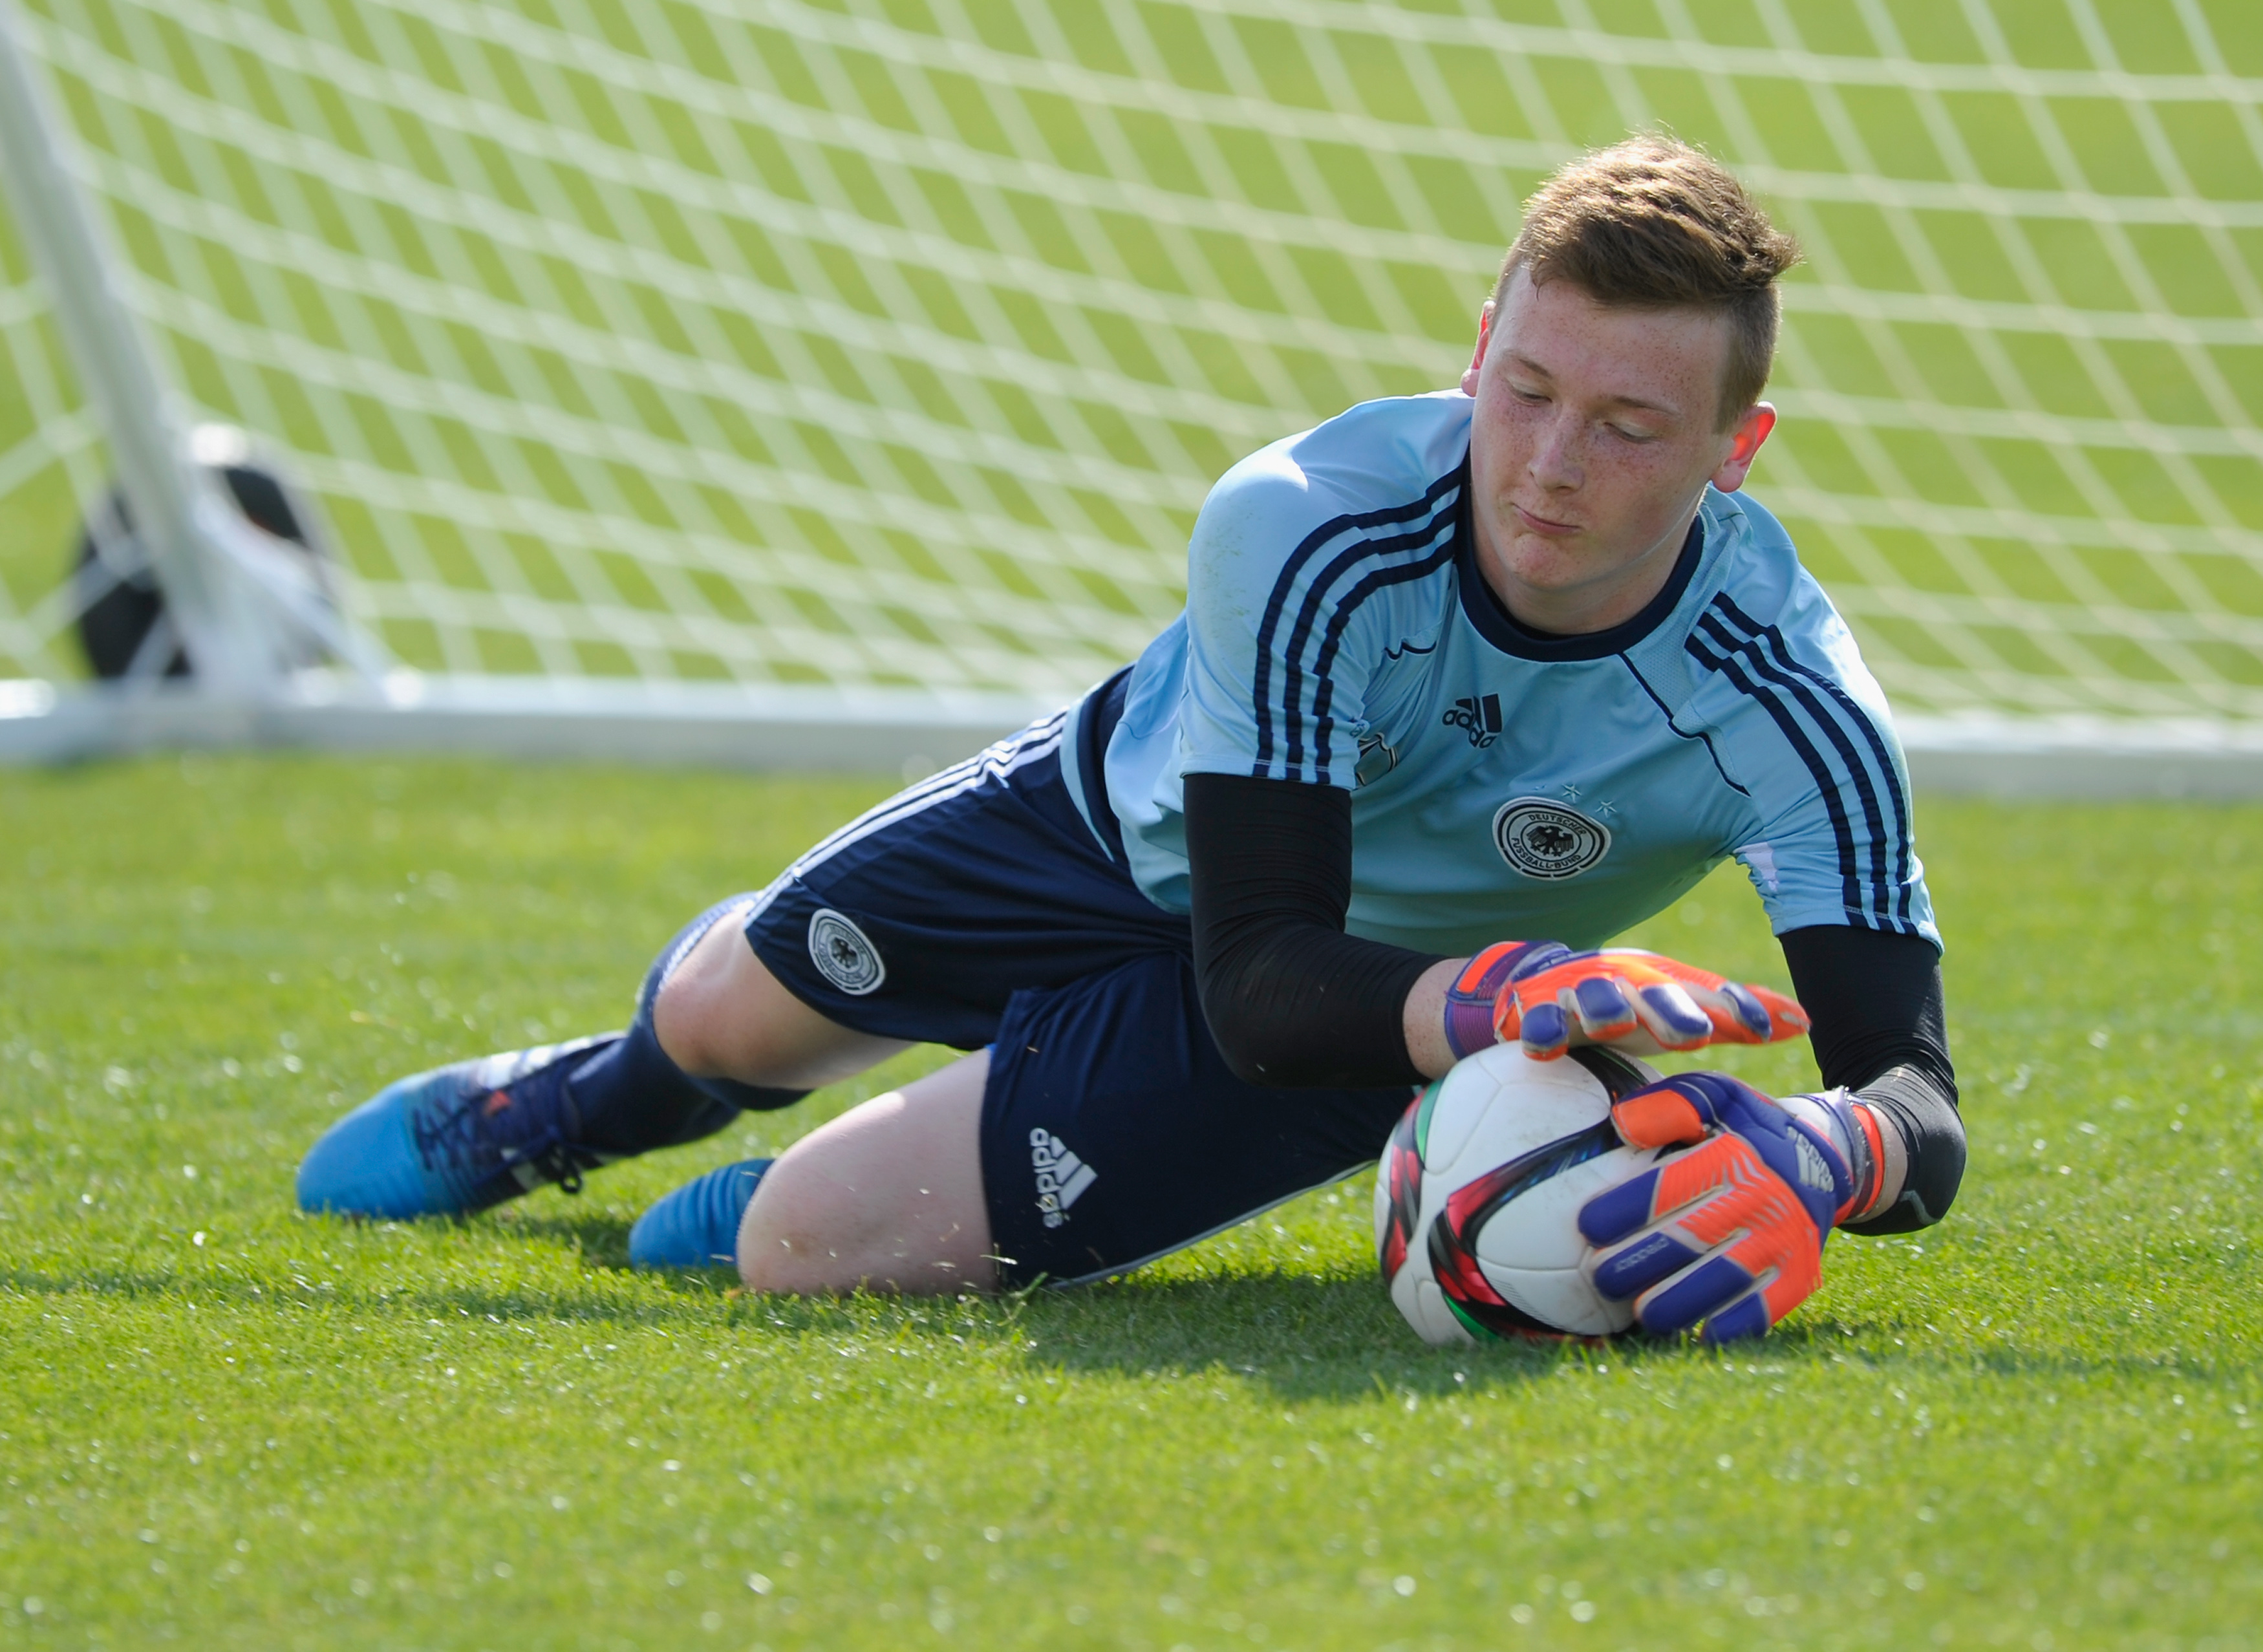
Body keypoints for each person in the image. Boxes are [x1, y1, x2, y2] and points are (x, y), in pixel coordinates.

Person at [297, 137, 1963, 1344]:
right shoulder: (1305, 527)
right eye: (1525, 391)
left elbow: (1913, 1096)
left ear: (1735, 448)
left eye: (1627, 427)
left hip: (1368, 1005)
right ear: (1474, 349)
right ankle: (594, 1101)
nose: (1547, 465)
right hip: (1122, 830)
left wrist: (1828, 1148)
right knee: (725, 1014)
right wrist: (1487, 992)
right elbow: (1254, 955)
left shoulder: (1791, 701)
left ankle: (819, 1188)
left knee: (799, 1249)